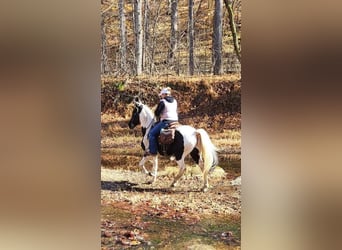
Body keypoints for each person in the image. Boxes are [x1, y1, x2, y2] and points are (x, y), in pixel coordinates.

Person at [146, 87, 178, 156]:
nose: (161, 96)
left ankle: (153, 151)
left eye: (162, 95)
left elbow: (157, 113)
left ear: (164, 94)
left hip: (166, 122)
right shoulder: (175, 101)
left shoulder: (163, 102)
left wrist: (156, 112)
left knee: (151, 134)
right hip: (175, 120)